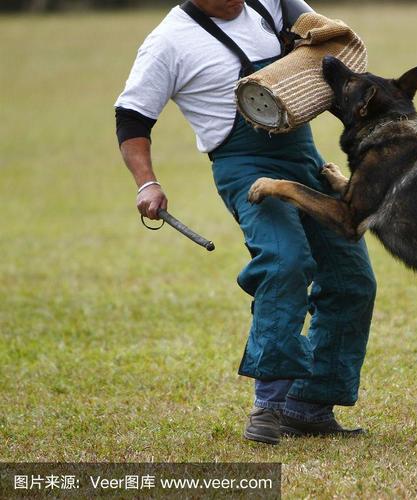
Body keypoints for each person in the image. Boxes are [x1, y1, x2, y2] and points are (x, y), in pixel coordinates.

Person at [114, 0, 376, 445]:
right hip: (244, 165)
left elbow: (325, 34)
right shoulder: (168, 42)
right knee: (284, 262)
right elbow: (132, 117)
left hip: (304, 156)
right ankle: (269, 405)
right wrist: (146, 183)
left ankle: (309, 406)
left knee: (352, 278)